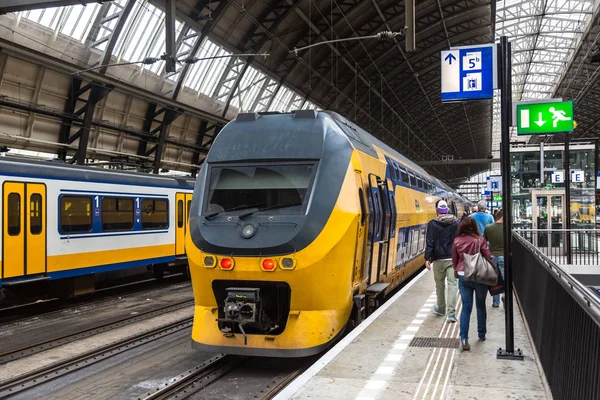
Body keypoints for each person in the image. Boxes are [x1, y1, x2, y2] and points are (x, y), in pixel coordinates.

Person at [452, 217, 495, 351]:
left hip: (463, 276)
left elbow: (455, 259)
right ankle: (481, 334)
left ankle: (464, 338)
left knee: (466, 307)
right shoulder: (480, 240)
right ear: (475, 227)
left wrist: (456, 270)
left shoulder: (457, 241)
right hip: (479, 275)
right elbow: (488, 256)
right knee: (481, 306)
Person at [425, 200, 460, 323]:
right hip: (452, 258)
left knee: (440, 285)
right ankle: (451, 314)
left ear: (436, 210)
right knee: (452, 285)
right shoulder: (457, 222)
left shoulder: (432, 223)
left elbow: (430, 242)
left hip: (438, 259)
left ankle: (441, 308)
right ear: (448, 210)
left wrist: (427, 258)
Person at [484, 209, 505, 308]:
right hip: (503, 256)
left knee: (495, 280)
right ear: (502, 218)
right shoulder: (507, 228)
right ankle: (505, 297)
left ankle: (496, 302)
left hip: (492, 257)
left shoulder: (488, 228)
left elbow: (485, 241)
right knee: (504, 278)